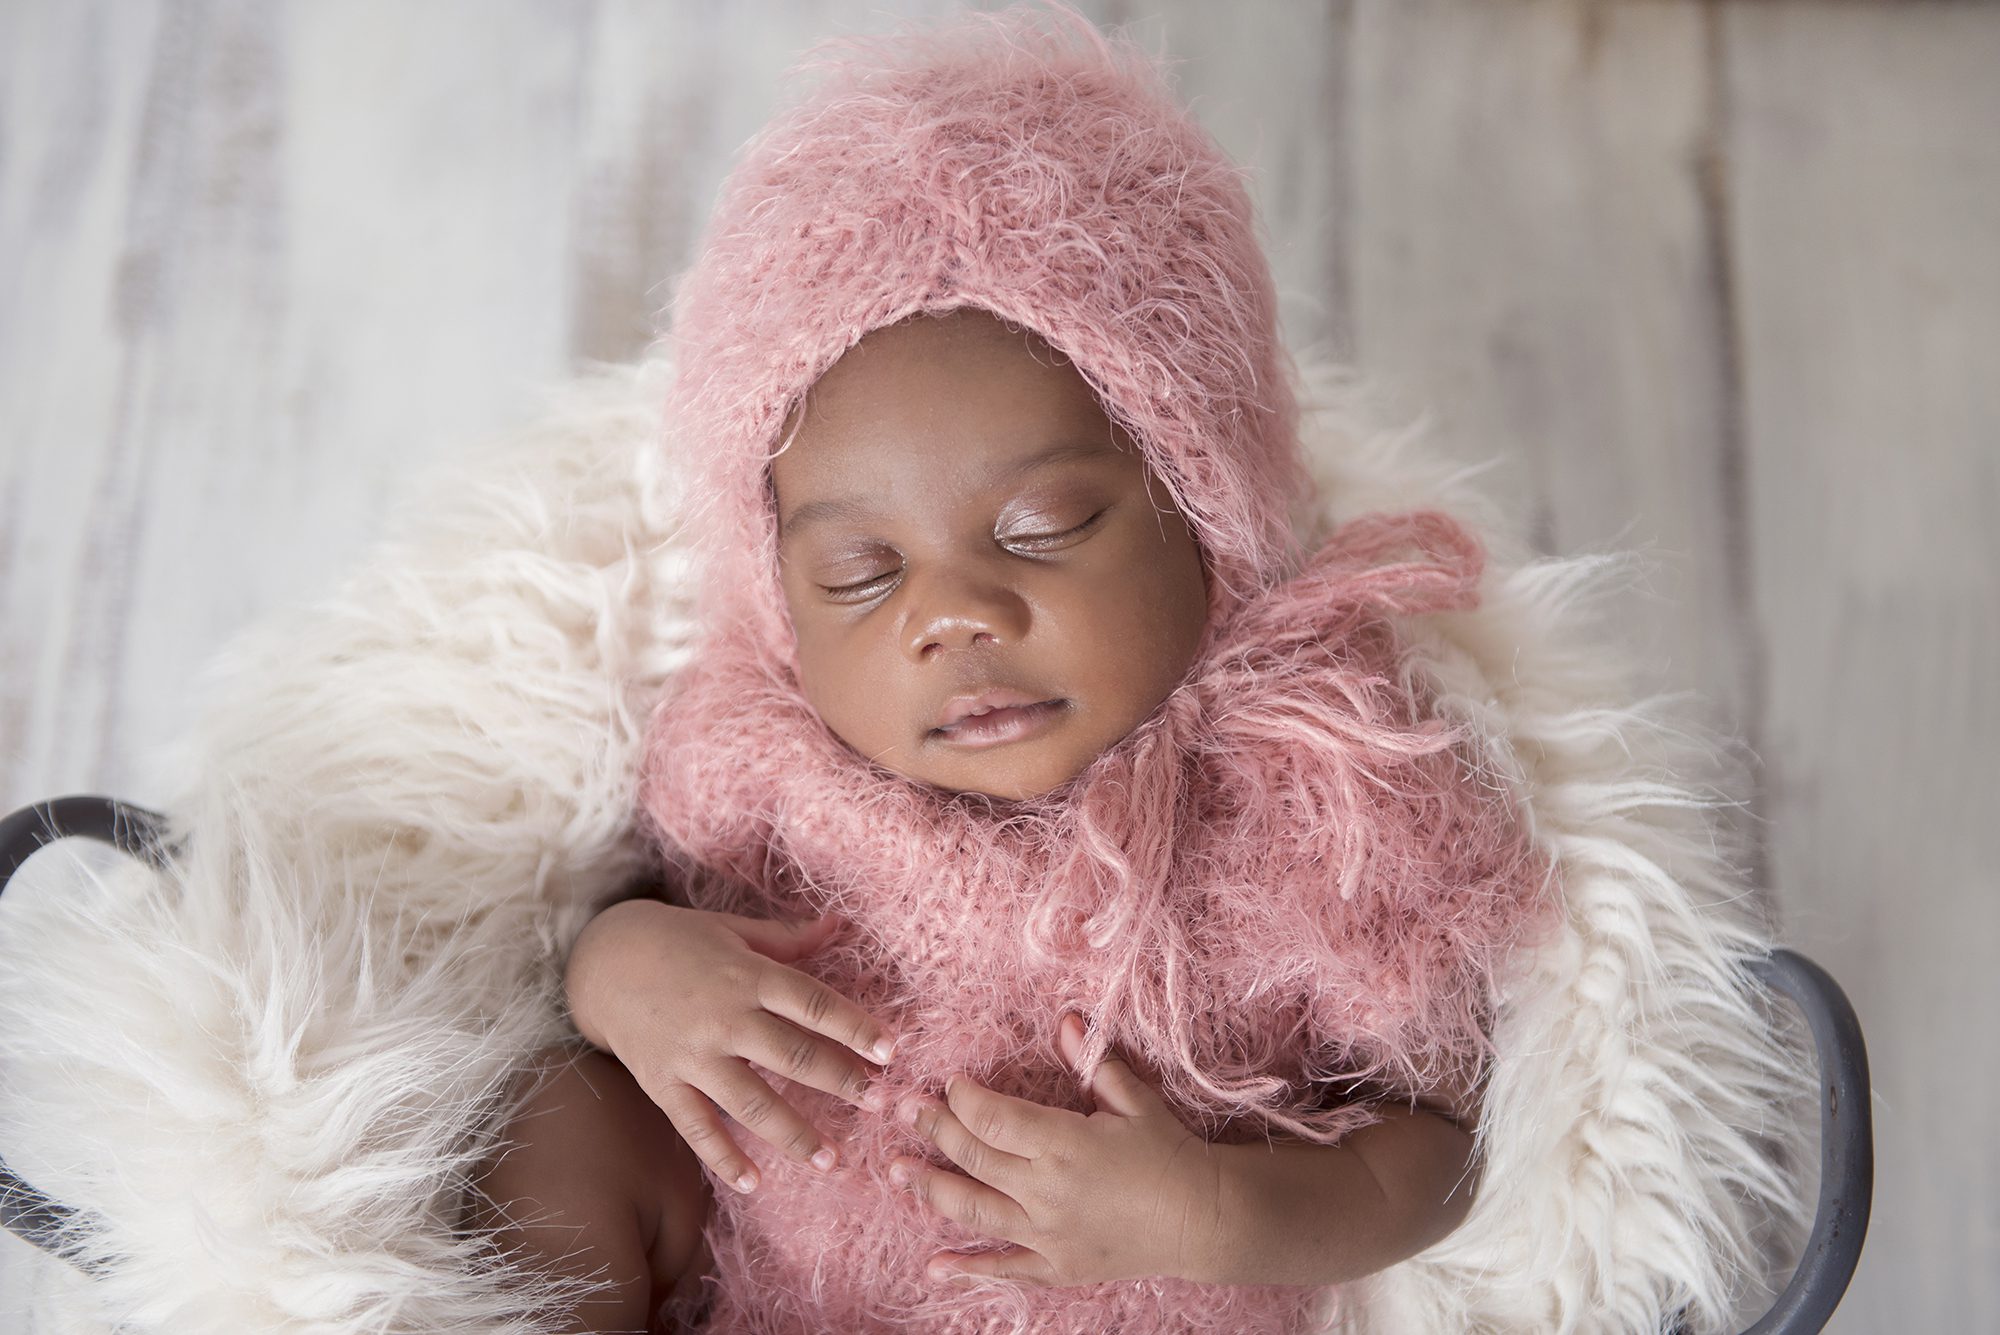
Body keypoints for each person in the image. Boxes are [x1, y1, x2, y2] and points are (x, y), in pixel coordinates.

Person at [469, 8, 1553, 1334]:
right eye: (862, 576)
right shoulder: (767, 759)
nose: (955, 616)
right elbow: (622, 908)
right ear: (779, 605)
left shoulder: (1319, 782)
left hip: (1095, 1304)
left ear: (1204, 511)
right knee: (564, 1123)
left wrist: (1212, 1213)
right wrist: (632, 977)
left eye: (1043, 533)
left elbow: (1440, 1142)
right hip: (751, 1263)